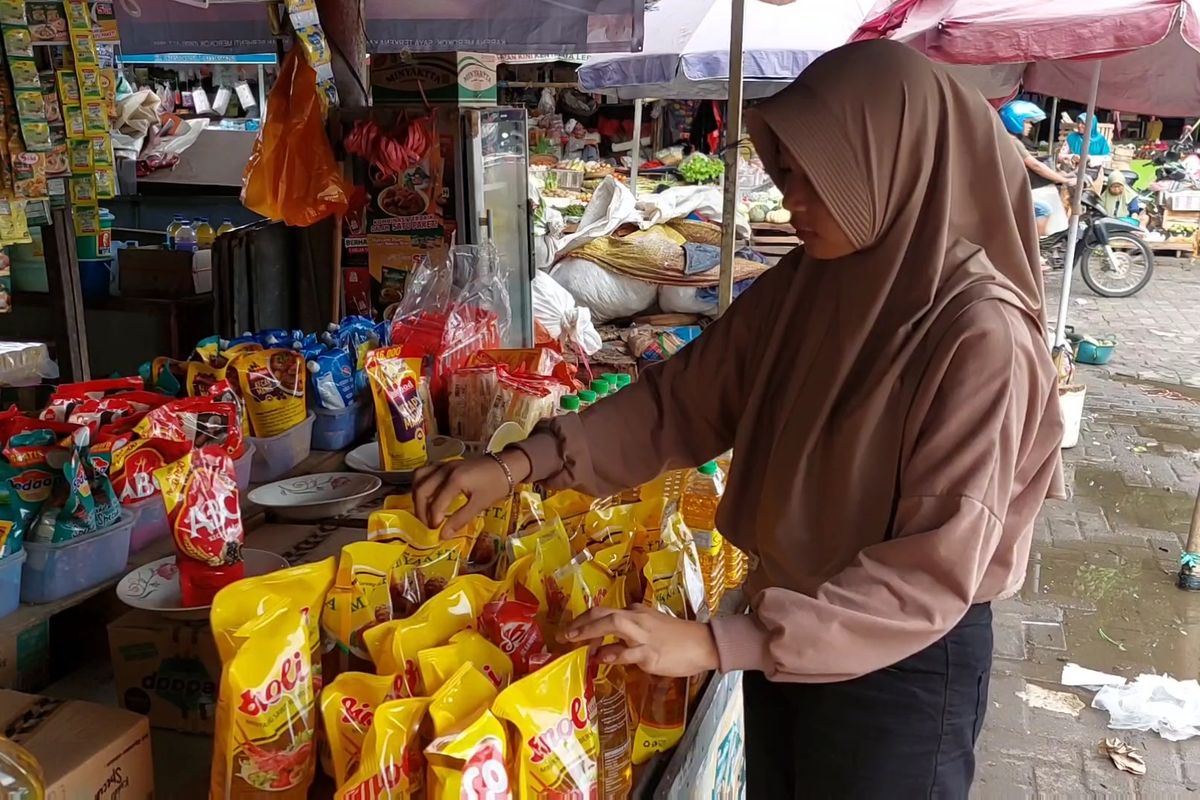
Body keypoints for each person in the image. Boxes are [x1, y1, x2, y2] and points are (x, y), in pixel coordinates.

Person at [412, 40, 1065, 798]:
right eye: (785, 175)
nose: (792, 200)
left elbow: (929, 571)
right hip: (788, 625)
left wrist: (719, 642)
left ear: (891, 167)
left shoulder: (980, 335)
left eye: (813, 179)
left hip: (898, 660)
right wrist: (517, 463)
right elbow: (680, 401)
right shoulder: (813, 282)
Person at [999, 101, 1074, 238]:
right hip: (1007, 194)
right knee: (1043, 210)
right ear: (1015, 121)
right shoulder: (1013, 142)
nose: (1030, 126)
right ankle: (1033, 251)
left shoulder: (1006, 138)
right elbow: (1035, 166)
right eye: (1027, 122)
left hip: (1006, 190)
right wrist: (1064, 179)